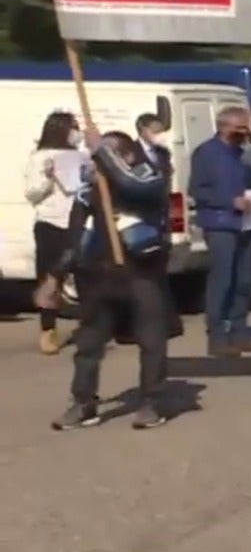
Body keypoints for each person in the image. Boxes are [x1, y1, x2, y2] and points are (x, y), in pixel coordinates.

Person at [54, 131, 175, 431]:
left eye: (108, 153)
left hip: (141, 273)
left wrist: (102, 151)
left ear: (128, 155)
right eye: (97, 155)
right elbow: (76, 232)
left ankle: (151, 401)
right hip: (101, 275)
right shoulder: (93, 186)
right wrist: (56, 275)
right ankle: (83, 403)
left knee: (151, 340)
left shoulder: (149, 175)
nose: (98, 160)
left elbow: (134, 186)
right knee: (89, 343)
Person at [189, 105, 251, 356]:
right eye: (240, 127)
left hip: (244, 224)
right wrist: (229, 202)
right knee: (222, 281)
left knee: (244, 281)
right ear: (224, 126)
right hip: (219, 224)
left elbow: (249, 185)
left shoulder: (240, 155)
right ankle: (217, 336)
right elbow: (197, 190)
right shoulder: (206, 153)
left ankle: (240, 333)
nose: (244, 132)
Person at [25, 110, 85, 355]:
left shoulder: (80, 156)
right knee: (50, 275)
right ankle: (48, 329)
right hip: (50, 222)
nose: (77, 132)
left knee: (85, 273)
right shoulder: (40, 158)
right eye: (73, 127)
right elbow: (32, 193)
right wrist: (48, 178)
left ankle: (92, 323)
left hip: (78, 221)